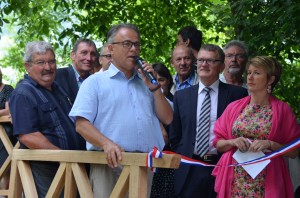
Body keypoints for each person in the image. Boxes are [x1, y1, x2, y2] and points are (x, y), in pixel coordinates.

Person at [69, 23, 173, 198]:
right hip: (108, 163)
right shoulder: (94, 82)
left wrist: (155, 88)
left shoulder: (147, 83)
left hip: (143, 164)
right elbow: (81, 124)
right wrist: (107, 144)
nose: (133, 49)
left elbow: (168, 118)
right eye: (127, 44)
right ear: (111, 48)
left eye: (136, 44)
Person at [212, 56, 300, 198]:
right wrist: (232, 142)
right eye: (249, 72)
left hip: (267, 179)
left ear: (270, 79)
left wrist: (270, 144)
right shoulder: (234, 107)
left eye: (257, 73)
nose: (250, 77)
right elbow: (218, 143)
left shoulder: (282, 110)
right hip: (235, 177)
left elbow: (294, 152)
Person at [169, 44, 248, 198]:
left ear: (221, 66)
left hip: (223, 166)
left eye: (210, 61)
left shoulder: (238, 95)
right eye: (201, 60)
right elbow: (175, 135)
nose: (204, 64)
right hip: (189, 169)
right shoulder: (182, 96)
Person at [9, 41, 86, 197]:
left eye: (51, 61)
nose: (48, 67)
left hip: (71, 167)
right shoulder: (23, 93)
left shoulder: (57, 87)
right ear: (27, 66)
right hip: (48, 170)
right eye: (41, 62)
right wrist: (63, 156)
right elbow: (28, 135)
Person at [55, 38, 98, 104]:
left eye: (92, 54)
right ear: (73, 55)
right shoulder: (58, 76)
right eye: (84, 53)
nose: (89, 58)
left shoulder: (95, 81)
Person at [0, 69, 17, 189]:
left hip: (6, 131)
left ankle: (6, 193)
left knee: (6, 164)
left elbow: (8, 110)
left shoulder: (8, 89)